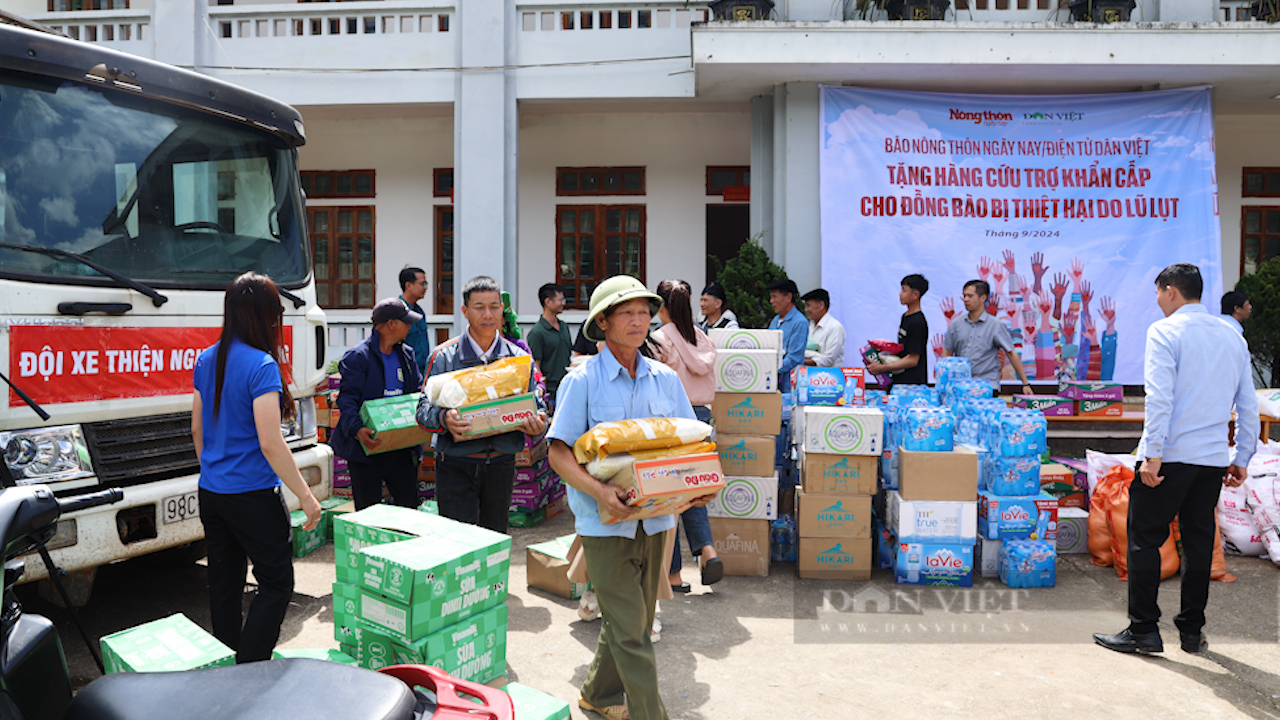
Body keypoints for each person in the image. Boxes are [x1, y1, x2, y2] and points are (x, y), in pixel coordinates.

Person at [548, 275, 711, 720]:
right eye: (627, 313)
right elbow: (559, 452)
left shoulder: (665, 379)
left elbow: (687, 446)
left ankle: (598, 696)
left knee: (631, 622)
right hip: (605, 524)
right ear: (603, 322)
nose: (639, 321)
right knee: (633, 633)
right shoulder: (582, 382)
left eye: (644, 312)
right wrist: (602, 491)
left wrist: (694, 487)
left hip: (658, 521)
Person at [1094, 264, 1258, 656]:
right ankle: (1191, 631)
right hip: (1212, 460)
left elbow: (1160, 398)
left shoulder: (1165, 331)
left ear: (1170, 291)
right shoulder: (1232, 335)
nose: (1157, 301)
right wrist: (1242, 456)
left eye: (1157, 293)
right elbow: (1247, 404)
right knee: (1199, 542)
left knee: (1144, 539)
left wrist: (1151, 455)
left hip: (1170, 458)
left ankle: (1144, 630)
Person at [191, 272, 322, 664]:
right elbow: (270, 441)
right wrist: (305, 494)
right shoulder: (262, 365)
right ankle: (250, 667)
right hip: (252, 495)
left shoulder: (206, 357)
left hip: (213, 492)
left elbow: (197, 427)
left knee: (225, 584)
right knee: (277, 583)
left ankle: (229, 666)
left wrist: (215, 469)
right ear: (264, 316)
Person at [417, 276, 548, 534]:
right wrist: (445, 419)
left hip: (501, 465)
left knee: (495, 540)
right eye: (479, 307)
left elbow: (538, 407)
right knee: (457, 544)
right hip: (456, 465)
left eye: (494, 306)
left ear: (502, 309)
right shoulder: (444, 357)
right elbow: (422, 412)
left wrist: (537, 425)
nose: (488, 314)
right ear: (465, 311)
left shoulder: (519, 360)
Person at [651, 279, 723, 592]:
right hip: (703, 420)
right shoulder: (702, 337)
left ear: (659, 306)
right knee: (695, 489)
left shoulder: (657, 340)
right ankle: (707, 551)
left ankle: (674, 575)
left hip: (673, 423)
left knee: (669, 495)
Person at [331, 298, 426, 511]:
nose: (410, 327)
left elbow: (418, 391)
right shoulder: (358, 357)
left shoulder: (407, 354)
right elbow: (347, 399)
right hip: (366, 448)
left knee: (409, 507)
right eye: (406, 322)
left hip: (400, 446)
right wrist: (357, 429)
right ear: (391, 324)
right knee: (368, 512)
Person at [942, 280, 1033, 395]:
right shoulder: (956, 324)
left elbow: (1011, 353)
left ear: (983, 298)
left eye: (970, 296)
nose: (965, 299)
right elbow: (947, 353)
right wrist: (944, 382)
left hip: (987, 387)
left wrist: (1025, 383)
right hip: (961, 387)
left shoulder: (996, 325)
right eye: (964, 296)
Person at [866, 274, 929, 386]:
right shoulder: (906, 316)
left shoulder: (918, 322)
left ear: (915, 295)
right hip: (899, 379)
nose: (900, 294)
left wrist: (882, 367)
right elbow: (905, 349)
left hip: (911, 385)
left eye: (904, 290)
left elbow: (913, 359)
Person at [527, 282, 573, 411]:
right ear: (548, 302)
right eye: (560, 300)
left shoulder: (564, 326)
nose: (563, 303)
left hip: (568, 388)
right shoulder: (537, 332)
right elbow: (536, 367)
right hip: (551, 394)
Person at [766, 278, 808, 394]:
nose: (771, 301)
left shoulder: (800, 322)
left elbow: (794, 358)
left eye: (775, 296)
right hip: (772, 382)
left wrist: (769, 368)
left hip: (789, 386)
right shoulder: (775, 320)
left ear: (788, 297)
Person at [398, 266, 432, 376]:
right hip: (406, 372)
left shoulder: (419, 311)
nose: (425, 288)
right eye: (422, 284)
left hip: (423, 372)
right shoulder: (398, 312)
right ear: (408, 285)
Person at [801, 288, 846, 367]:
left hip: (830, 377)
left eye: (808, 306)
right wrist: (815, 355)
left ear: (821, 305)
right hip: (809, 376)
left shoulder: (834, 327)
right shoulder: (809, 325)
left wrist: (801, 360)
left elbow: (828, 360)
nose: (806, 310)